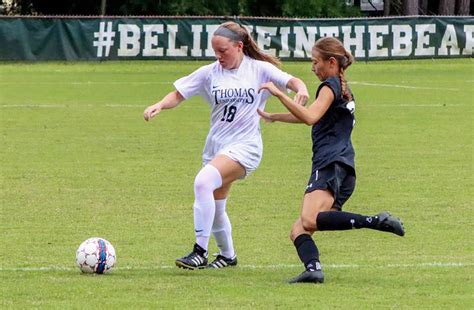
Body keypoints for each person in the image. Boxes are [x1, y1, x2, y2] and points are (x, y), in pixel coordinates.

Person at [143, 21, 309, 270]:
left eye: (223, 51)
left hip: (246, 147)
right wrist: (159, 105)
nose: (218, 56)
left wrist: (302, 88)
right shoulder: (210, 72)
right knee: (216, 204)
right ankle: (228, 256)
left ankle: (200, 251)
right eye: (215, 51)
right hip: (217, 147)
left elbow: (292, 80)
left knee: (202, 183)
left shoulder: (259, 69)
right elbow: (179, 93)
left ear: (239, 46)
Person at [258, 37, 405, 283]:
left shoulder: (329, 86)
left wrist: (278, 94)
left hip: (330, 164)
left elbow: (310, 117)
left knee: (308, 219)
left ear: (332, 62)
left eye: (316, 62)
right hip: (344, 168)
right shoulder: (343, 89)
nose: (313, 67)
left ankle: (374, 220)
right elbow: (315, 115)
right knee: (299, 230)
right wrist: (275, 116)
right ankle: (313, 269)